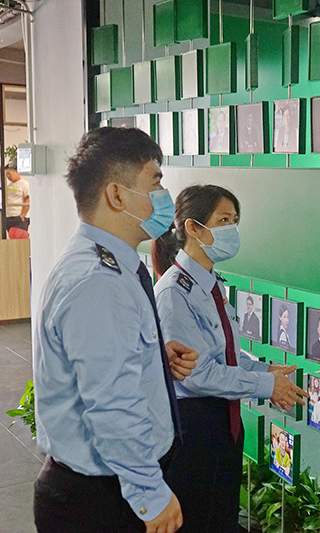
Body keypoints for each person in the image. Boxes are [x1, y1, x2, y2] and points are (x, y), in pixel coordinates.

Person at [32, 127, 199, 533]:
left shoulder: (111, 265)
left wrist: (152, 356)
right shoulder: (98, 282)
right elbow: (112, 405)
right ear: (117, 196)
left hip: (110, 487)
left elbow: (103, 366)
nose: (164, 194)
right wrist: (150, 496)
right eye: (155, 182)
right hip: (101, 500)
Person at [152, 184, 307, 533]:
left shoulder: (211, 283)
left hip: (224, 422)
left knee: (220, 517)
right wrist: (266, 385)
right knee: (197, 521)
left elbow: (226, 355)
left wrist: (266, 370)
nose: (232, 229)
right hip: (194, 427)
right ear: (193, 228)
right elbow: (197, 373)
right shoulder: (174, 292)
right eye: (223, 220)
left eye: (235, 220)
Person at [4, 164, 30, 235]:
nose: (8, 176)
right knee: (12, 238)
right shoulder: (8, 186)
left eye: (9, 173)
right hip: (8, 217)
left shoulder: (24, 184)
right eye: (6, 174)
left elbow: (27, 200)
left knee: (19, 238)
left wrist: (22, 216)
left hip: (18, 217)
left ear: (16, 171)